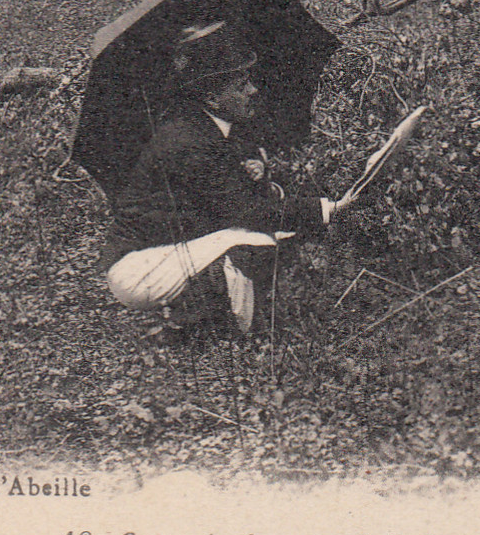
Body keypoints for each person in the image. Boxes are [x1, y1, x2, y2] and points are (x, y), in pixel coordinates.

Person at [102, 22, 355, 344]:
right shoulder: (192, 140)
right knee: (254, 241)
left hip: (168, 250)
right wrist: (327, 208)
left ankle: (199, 318)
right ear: (212, 96)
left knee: (264, 235)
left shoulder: (208, 129)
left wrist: (262, 180)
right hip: (138, 267)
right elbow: (246, 213)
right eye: (240, 85)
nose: (253, 90)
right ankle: (226, 331)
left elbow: (232, 200)